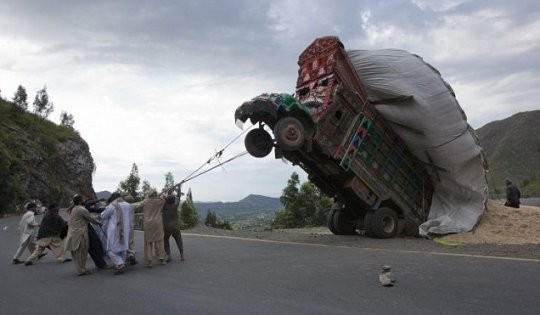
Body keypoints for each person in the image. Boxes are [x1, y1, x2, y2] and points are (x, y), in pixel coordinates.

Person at [64, 195, 101, 276]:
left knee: (76, 254)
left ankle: (80, 269)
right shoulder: (82, 209)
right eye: (83, 199)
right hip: (80, 234)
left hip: (72, 233)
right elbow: (91, 219)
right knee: (82, 253)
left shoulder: (74, 209)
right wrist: (100, 223)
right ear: (80, 201)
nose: (85, 200)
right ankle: (82, 270)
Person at [101, 192, 132, 275]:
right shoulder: (127, 205)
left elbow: (103, 216)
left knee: (110, 250)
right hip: (125, 229)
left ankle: (120, 264)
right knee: (123, 248)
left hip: (115, 230)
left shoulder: (112, 205)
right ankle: (121, 263)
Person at [85, 199, 113, 269]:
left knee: (94, 245)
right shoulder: (82, 209)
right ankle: (102, 264)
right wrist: (97, 200)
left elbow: (96, 210)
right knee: (95, 245)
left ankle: (100, 263)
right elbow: (89, 206)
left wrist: (106, 209)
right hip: (85, 229)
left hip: (87, 228)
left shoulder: (79, 208)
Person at [142, 189, 167, 267]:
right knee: (160, 241)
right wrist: (161, 195)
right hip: (158, 223)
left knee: (148, 243)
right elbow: (165, 197)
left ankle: (149, 261)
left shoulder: (145, 201)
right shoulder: (159, 201)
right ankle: (162, 259)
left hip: (148, 224)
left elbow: (141, 202)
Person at [162, 188, 185, 262]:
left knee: (165, 240)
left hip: (166, 227)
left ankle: (168, 255)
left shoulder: (164, 206)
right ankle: (182, 255)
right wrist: (179, 187)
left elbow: (163, 197)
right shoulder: (175, 206)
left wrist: (166, 192)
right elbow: (178, 196)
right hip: (175, 226)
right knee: (179, 240)